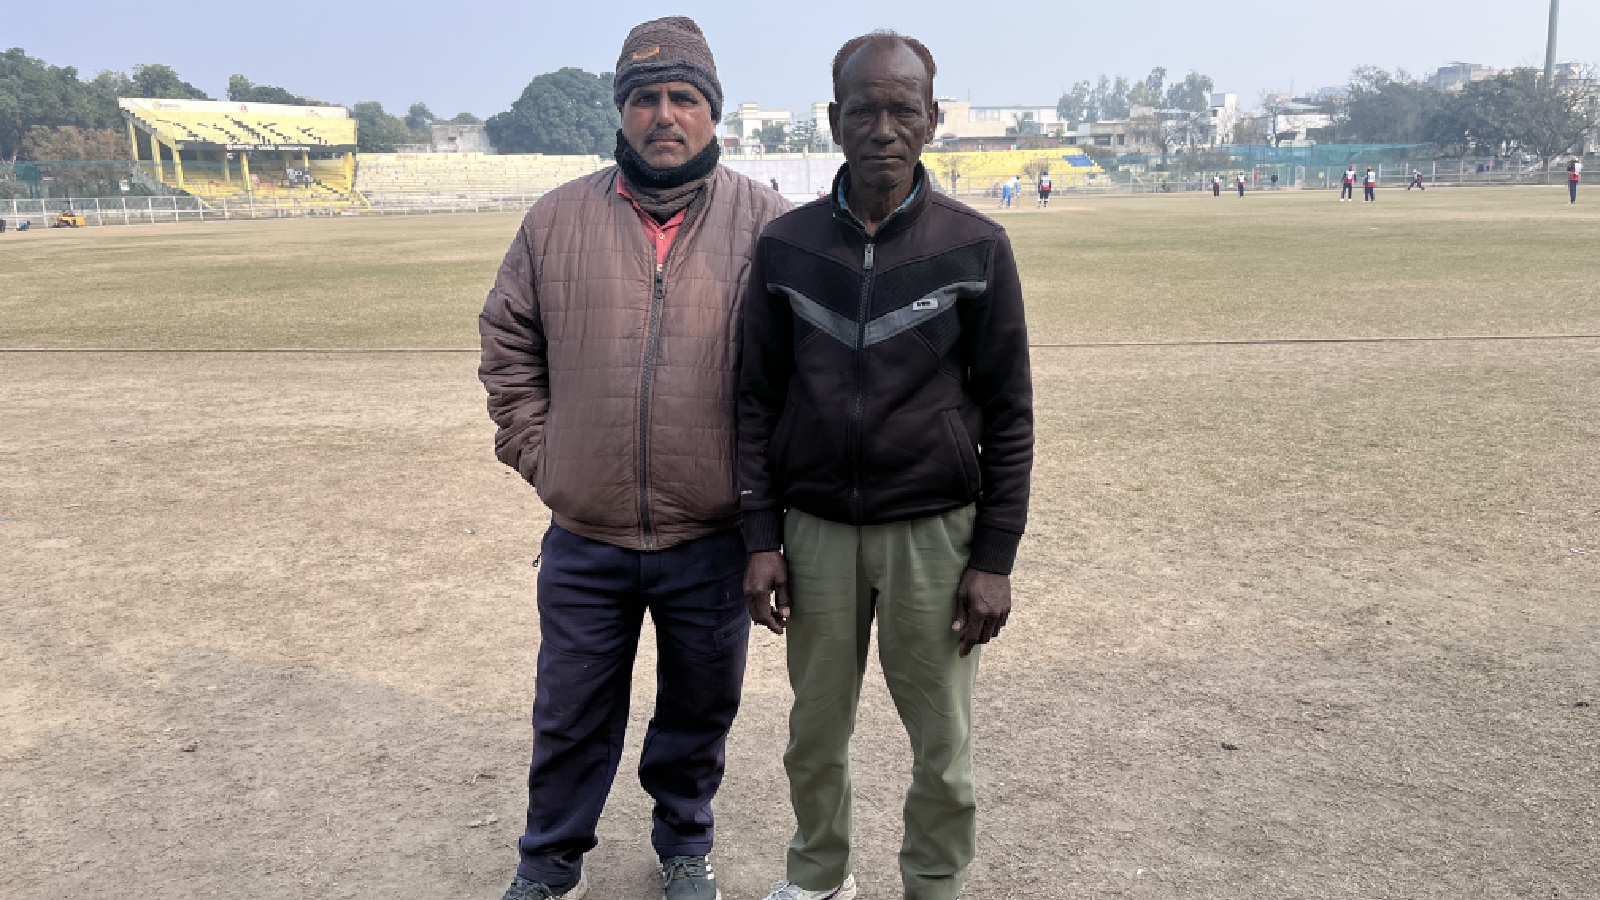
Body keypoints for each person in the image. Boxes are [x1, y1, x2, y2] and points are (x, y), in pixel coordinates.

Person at [477, 16, 790, 900]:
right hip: (587, 534)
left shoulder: (768, 224)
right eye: (645, 98)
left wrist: (758, 500)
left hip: (711, 535)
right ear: (620, 112)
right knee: (571, 712)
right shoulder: (555, 220)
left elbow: (798, 377)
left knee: (699, 710)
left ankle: (684, 845)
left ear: (711, 114)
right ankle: (548, 864)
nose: (664, 115)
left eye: (683, 98)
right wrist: (546, 456)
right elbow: (507, 348)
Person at [740, 30, 1034, 900]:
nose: (883, 127)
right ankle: (820, 876)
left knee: (942, 743)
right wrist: (761, 534)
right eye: (862, 109)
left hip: (934, 539)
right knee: (814, 736)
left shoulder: (976, 248)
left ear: (933, 120)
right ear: (834, 121)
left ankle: (933, 884)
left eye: (903, 108)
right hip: (816, 532)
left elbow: (1012, 413)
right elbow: (755, 399)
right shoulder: (786, 248)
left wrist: (994, 559)